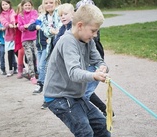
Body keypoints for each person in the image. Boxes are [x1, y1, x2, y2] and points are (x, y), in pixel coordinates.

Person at [43, 4, 111, 136]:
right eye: (93, 30)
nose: (95, 34)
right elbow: (74, 73)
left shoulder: (88, 40)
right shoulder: (67, 41)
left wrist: (103, 67)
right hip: (58, 97)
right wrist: (94, 76)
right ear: (80, 25)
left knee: (102, 126)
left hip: (75, 94)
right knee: (84, 132)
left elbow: (98, 60)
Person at [76, 0, 113, 117]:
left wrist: (102, 67)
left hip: (92, 64)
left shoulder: (90, 34)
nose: (94, 33)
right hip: (83, 64)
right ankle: (104, 111)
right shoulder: (72, 33)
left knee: (85, 92)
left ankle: (97, 115)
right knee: (84, 91)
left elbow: (96, 56)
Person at [32, 0, 62, 102]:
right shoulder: (43, 16)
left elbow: (62, 28)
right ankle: (48, 98)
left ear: (56, 2)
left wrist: (54, 31)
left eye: (51, 2)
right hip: (50, 46)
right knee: (49, 70)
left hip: (62, 45)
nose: (48, 5)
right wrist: (52, 31)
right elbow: (44, 29)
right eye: (46, 3)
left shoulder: (60, 12)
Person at [28, 4, 48, 93]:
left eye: (42, 12)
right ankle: (43, 82)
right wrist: (35, 26)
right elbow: (30, 27)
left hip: (45, 46)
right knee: (39, 67)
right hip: (39, 47)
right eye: (39, 12)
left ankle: (41, 84)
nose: (40, 14)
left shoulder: (47, 21)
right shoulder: (38, 21)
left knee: (42, 66)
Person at [17, 0, 39, 84]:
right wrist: (25, 27)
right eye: (25, 5)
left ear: (31, 6)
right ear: (22, 6)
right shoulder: (20, 15)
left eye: (29, 5)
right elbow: (20, 26)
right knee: (29, 58)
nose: (27, 7)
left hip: (35, 38)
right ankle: (32, 75)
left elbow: (34, 20)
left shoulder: (34, 12)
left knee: (37, 56)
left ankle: (39, 72)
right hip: (25, 39)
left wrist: (28, 25)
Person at [0, 0, 18, 77]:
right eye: (3, 5)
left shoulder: (12, 12)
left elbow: (13, 17)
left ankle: (21, 67)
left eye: (6, 4)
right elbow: (3, 21)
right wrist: (8, 25)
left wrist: (13, 23)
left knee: (17, 52)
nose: (5, 6)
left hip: (15, 35)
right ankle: (10, 69)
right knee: (10, 53)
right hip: (8, 36)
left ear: (9, 4)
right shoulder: (1, 14)